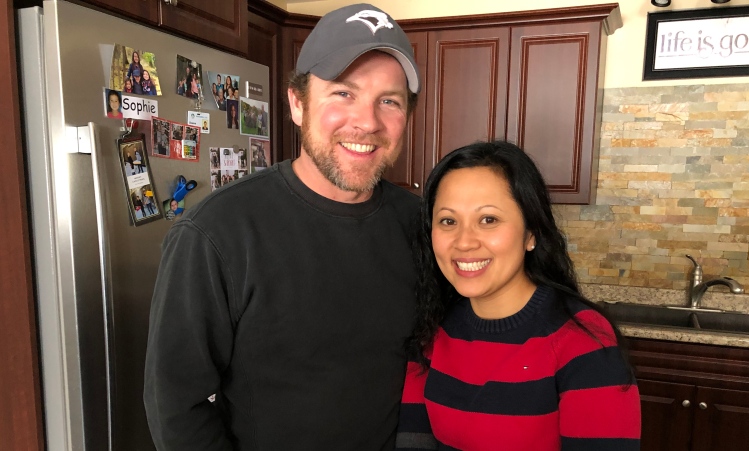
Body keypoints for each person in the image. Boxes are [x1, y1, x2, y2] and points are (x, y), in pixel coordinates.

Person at [144, 3, 421, 450]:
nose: (367, 122)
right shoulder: (216, 233)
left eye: (388, 101)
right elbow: (176, 405)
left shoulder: (422, 226)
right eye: (342, 93)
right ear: (297, 103)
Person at [395, 141, 641, 451]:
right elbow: (414, 441)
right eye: (448, 221)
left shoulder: (582, 342)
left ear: (531, 233)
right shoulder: (434, 328)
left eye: (488, 220)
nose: (464, 242)